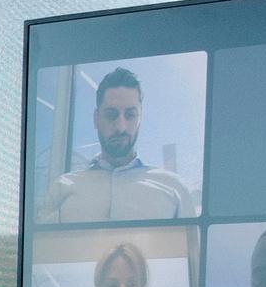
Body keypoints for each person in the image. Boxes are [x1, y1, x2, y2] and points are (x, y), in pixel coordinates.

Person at [37, 66, 195, 221]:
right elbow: (42, 247)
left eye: (130, 115)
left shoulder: (175, 190)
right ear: (96, 118)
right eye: (111, 115)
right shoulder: (61, 189)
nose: (121, 127)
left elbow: (193, 247)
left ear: (140, 119)